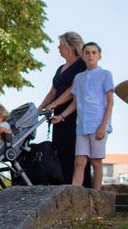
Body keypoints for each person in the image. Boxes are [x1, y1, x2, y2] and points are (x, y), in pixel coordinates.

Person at [51, 42, 114, 190]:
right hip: (82, 126)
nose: (90, 55)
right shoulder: (79, 77)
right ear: (83, 56)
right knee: (79, 161)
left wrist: (103, 126)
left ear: (99, 56)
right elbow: (74, 102)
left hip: (98, 124)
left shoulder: (105, 75)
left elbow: (110, 102)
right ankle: (75, 194)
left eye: (93, 52)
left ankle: (97, 194)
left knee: (96, 161)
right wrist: (61, 116)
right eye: (87, 52)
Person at [37, 32, 91, 186]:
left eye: (61, 45)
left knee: (73, 153)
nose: (58, 47)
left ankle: (80, 187)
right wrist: (40, 107)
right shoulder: (61, 68)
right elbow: (53, 91)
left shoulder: (81, 65)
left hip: (73, 114)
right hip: (58, 115)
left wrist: (54, 104)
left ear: (72, 47)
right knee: (59, 151)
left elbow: (72, 90)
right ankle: (61, 185)